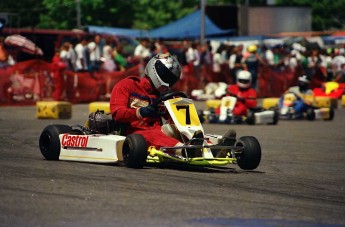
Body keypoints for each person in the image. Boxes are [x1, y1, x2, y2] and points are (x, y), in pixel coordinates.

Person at [110, 53, 236, 158]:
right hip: (134, 133)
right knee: (153, 134)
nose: (168, 81)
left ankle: (211, 149)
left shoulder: (163, 94)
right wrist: (141, 112)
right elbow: (117, 114)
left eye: (172, 78)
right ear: (154, 70)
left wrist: (184, 119)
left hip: (158, 131)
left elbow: (175, 119)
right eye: (166, 75)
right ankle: (185, 151)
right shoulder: (127, 85)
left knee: (176, 129)